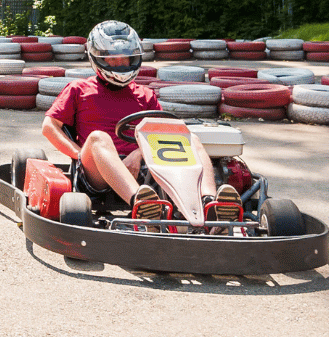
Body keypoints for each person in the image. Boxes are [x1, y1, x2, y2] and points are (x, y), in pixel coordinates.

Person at [41, 20, 239, 222]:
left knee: (191, 139)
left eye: (125, 59)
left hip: (143, 168)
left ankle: (208, 202)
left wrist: (137, 155)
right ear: (97, 58)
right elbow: (49, 127)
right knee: (98, 138)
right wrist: (79, 153)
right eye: (112, 59)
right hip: (96, 172)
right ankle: (141, 205)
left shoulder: (145, 95)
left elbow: (163, 135)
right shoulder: (79, 89)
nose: (120, 64)